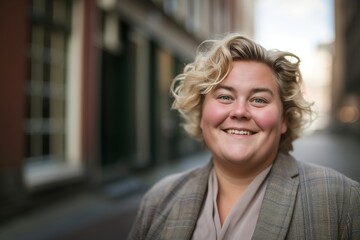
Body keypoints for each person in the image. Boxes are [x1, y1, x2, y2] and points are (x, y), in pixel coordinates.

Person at [127, 33, 360, 240]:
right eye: (225, 97)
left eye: (259, 99)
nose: (239, 112)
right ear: (201, 114)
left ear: (283, 120)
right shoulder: (159, 200)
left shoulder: (340, 201)